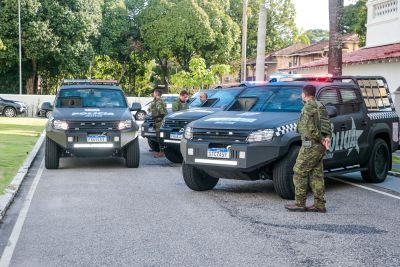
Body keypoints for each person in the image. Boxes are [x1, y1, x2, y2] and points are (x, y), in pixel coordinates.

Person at [285, 85, 331, 213]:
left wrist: (320, 138)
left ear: (304, 94)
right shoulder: (320, 105)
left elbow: (308, 129)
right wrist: (326, 138)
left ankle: (300, 203)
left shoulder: (308, 107)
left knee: (299, 172)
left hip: (311, 145)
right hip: (320, 146)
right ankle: (319, 204)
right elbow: (327, 124)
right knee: (317, 174)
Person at [149, 89, 167, 158]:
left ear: (156, 94)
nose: (153, 94)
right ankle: (161, 151)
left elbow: (162, 112)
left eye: (154, 93)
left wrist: (155, 114)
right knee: (159, 137)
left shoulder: (158, 102)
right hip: (158, 121)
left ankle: (162, 152)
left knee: (159, 138)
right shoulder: (158, 101)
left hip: (159, 121)